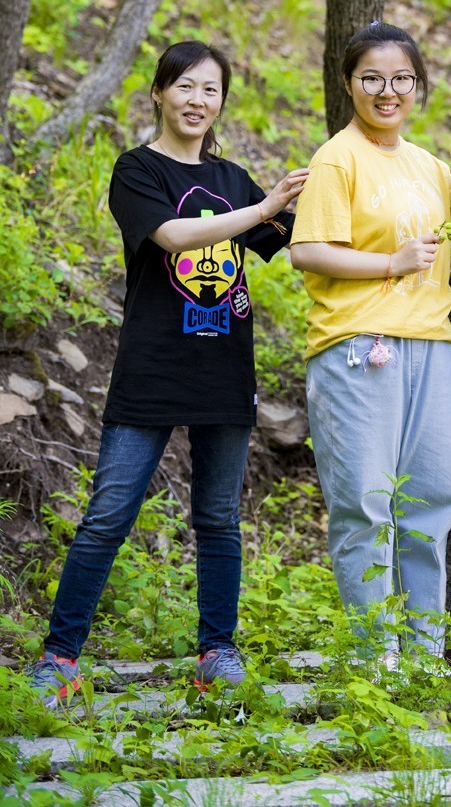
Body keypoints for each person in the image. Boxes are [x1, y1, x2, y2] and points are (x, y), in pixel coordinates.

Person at [26, 40, 309, 708]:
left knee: (217, 519)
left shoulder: (236, 181)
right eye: (184, 86)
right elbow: (176, 237)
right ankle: (59, 658)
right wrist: (266, 208)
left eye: (210, 90)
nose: (196, 100)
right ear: (158, 92)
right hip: (152, 369)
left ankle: (218, 652)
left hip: (223, 371)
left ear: (221, 103)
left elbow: (300, 245)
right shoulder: (137, 170)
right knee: (107, 515)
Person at [290, 22, 451, 666]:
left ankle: (425, 660)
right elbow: (307, 250)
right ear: (350, 83)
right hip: (357, 346)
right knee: (366, 506)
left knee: (432, 502)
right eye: (372, 79)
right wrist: (390, 262)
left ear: (417, 86)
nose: (387, 92)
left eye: (400, 79)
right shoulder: (337, 158)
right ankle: (376, 664)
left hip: (431, 346)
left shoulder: (425, 165)